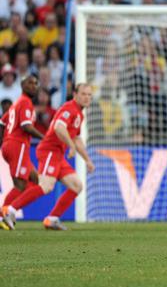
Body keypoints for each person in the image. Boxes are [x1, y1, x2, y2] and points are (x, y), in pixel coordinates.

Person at [4, 83, 96, 231]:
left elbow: (77, 139)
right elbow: (59, 127)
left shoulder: (79, 114)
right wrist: (70, 146)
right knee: (45, 186)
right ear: (75, 94)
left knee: (77, 185)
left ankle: (52, 219)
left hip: (58, 154)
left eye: (89, 95)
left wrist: (87, 160)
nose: (87, 97)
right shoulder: (69, 108)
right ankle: (10, 211)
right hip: (49, 151)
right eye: (83, 94)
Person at [0, 76, 44, 230]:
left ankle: (10, 211)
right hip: (17, 145)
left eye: (35, 83)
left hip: (11, 145)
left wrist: (3, 143)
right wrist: (44, 138)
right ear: (22, 85)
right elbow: (26, 126)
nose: (33, 86)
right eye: (30, 83)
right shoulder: (25, 102)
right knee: (19, 185)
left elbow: (2, 122)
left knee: (34, 179)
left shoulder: (15, 105)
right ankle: (2, 215)